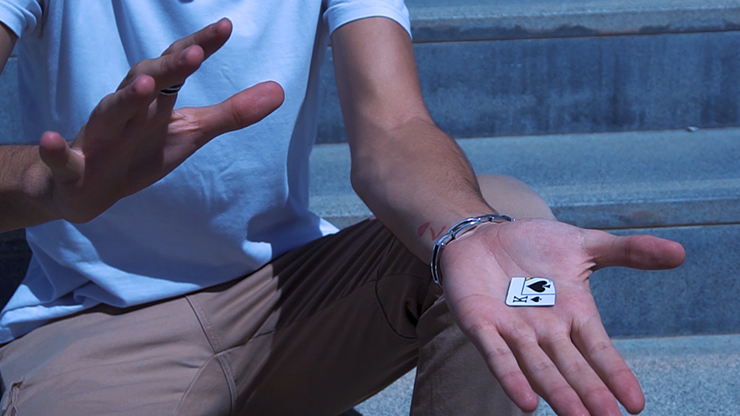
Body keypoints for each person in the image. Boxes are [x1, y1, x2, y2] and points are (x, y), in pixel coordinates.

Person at [0, 2, 685, 415]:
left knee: (498, 230)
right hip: (99, 328)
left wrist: (467, 229)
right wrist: (48, 186)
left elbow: (394, 131)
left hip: (286, 302)